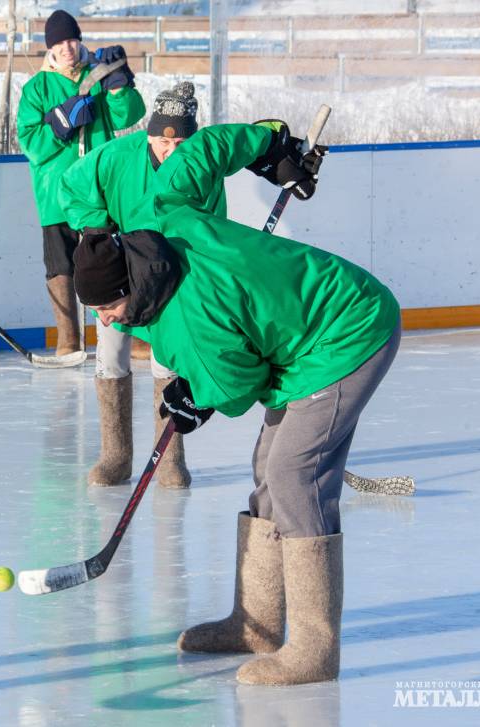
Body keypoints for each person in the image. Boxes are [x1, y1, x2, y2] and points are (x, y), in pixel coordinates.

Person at [70, 178, 401, 684]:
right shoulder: (161, 228)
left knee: (295, 474)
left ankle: (315, 648)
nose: (105, 321)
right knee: (268, 469)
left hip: (349, 335)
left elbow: (237, 381)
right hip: (303, 339)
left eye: (107, 310)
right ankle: (256, 624)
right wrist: (268, 149)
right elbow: (195, 163)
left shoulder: (189, 316)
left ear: (132, 288)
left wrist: (197, 399)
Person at [60, 83, 321, 489]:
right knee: (110, 359)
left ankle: (170, 459)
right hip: (119, 286)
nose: (170, 151)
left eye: (180, 141)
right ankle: (115, 456)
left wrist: (277, 160)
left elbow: (211, 221)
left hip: (169, 288)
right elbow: (71, 187)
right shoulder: (116, 157)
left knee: (172, 363)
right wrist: (98, 230)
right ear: (148, 134)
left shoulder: (200, 169)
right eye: (161, 141)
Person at [16, 9, 145, 356]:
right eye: (59, 43)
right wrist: (60, 123)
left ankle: (126, 334)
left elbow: (129, 116)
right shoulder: (36, 88)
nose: (67, 48)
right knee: (61, 267)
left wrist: (119, 87)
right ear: (50, 49)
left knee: (113, 260)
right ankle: (68, 340)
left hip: (101, 192)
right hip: (55, 195)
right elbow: (30, 143)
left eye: (71, 39)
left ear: (79, 39)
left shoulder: (98, 74)